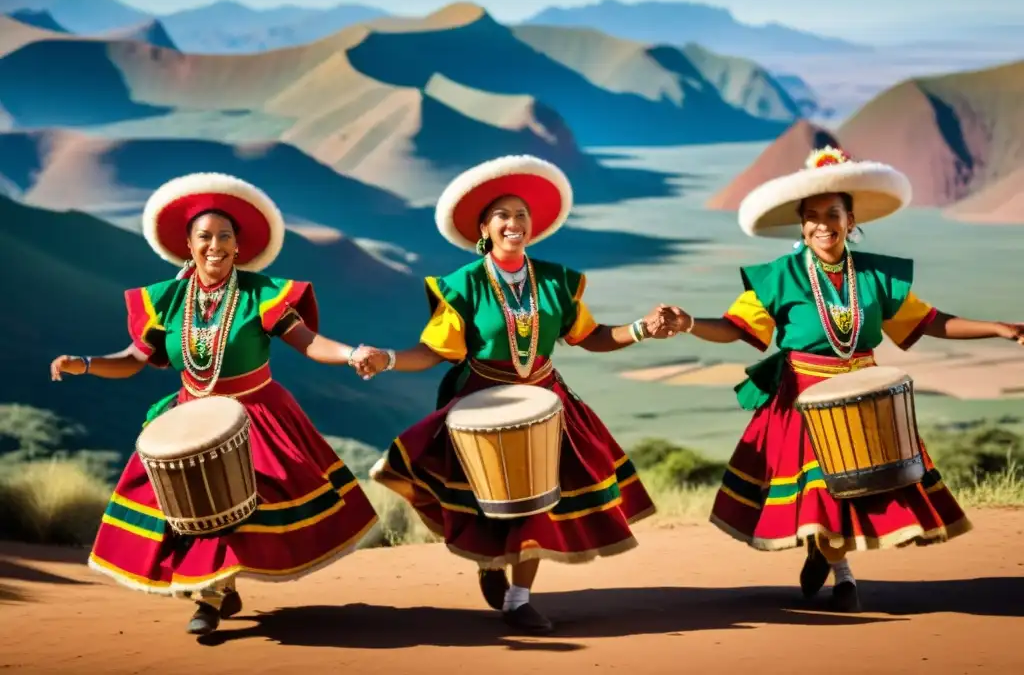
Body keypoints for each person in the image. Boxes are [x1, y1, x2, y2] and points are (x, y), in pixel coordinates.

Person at [665, 146, 1024, 612]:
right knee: (825, 486)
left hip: (863, 396)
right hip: (802, 398)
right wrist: (691, 322)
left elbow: (929, 321)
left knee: (854, 487)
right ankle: (844, 576)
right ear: (801, 224)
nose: (822, 224)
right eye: (811, 216)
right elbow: (735, 329)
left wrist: (999, 328)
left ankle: (829, 558)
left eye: (832, 214)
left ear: (850, 220)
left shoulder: (875, 275)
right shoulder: (779, 277)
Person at [350, 154, 680, 633]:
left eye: (522, 214)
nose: (514, 223)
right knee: (490, 503)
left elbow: (591, 337)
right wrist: (389, 358)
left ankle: (519, 599)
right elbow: (434, 350)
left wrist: (642, 328)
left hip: (548, 401)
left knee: (538, 503)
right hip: (481, 400)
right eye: (502, 215)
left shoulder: (556, 281)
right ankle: (489, 563)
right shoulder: (461, 287)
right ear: (484, 227)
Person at [49, 172, 379, 635]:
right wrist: (84, 363)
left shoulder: (260, 294)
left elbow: (307, 342)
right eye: (205, 236)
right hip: (189, 414)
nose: (216, 245)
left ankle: (208, 597)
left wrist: (351, 354)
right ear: (188, 244)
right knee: (187, 505)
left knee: (239, 504)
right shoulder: (167, 300)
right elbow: (132, 360)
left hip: (257, 412)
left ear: (239, 247)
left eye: (226, 236)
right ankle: (217, 587)